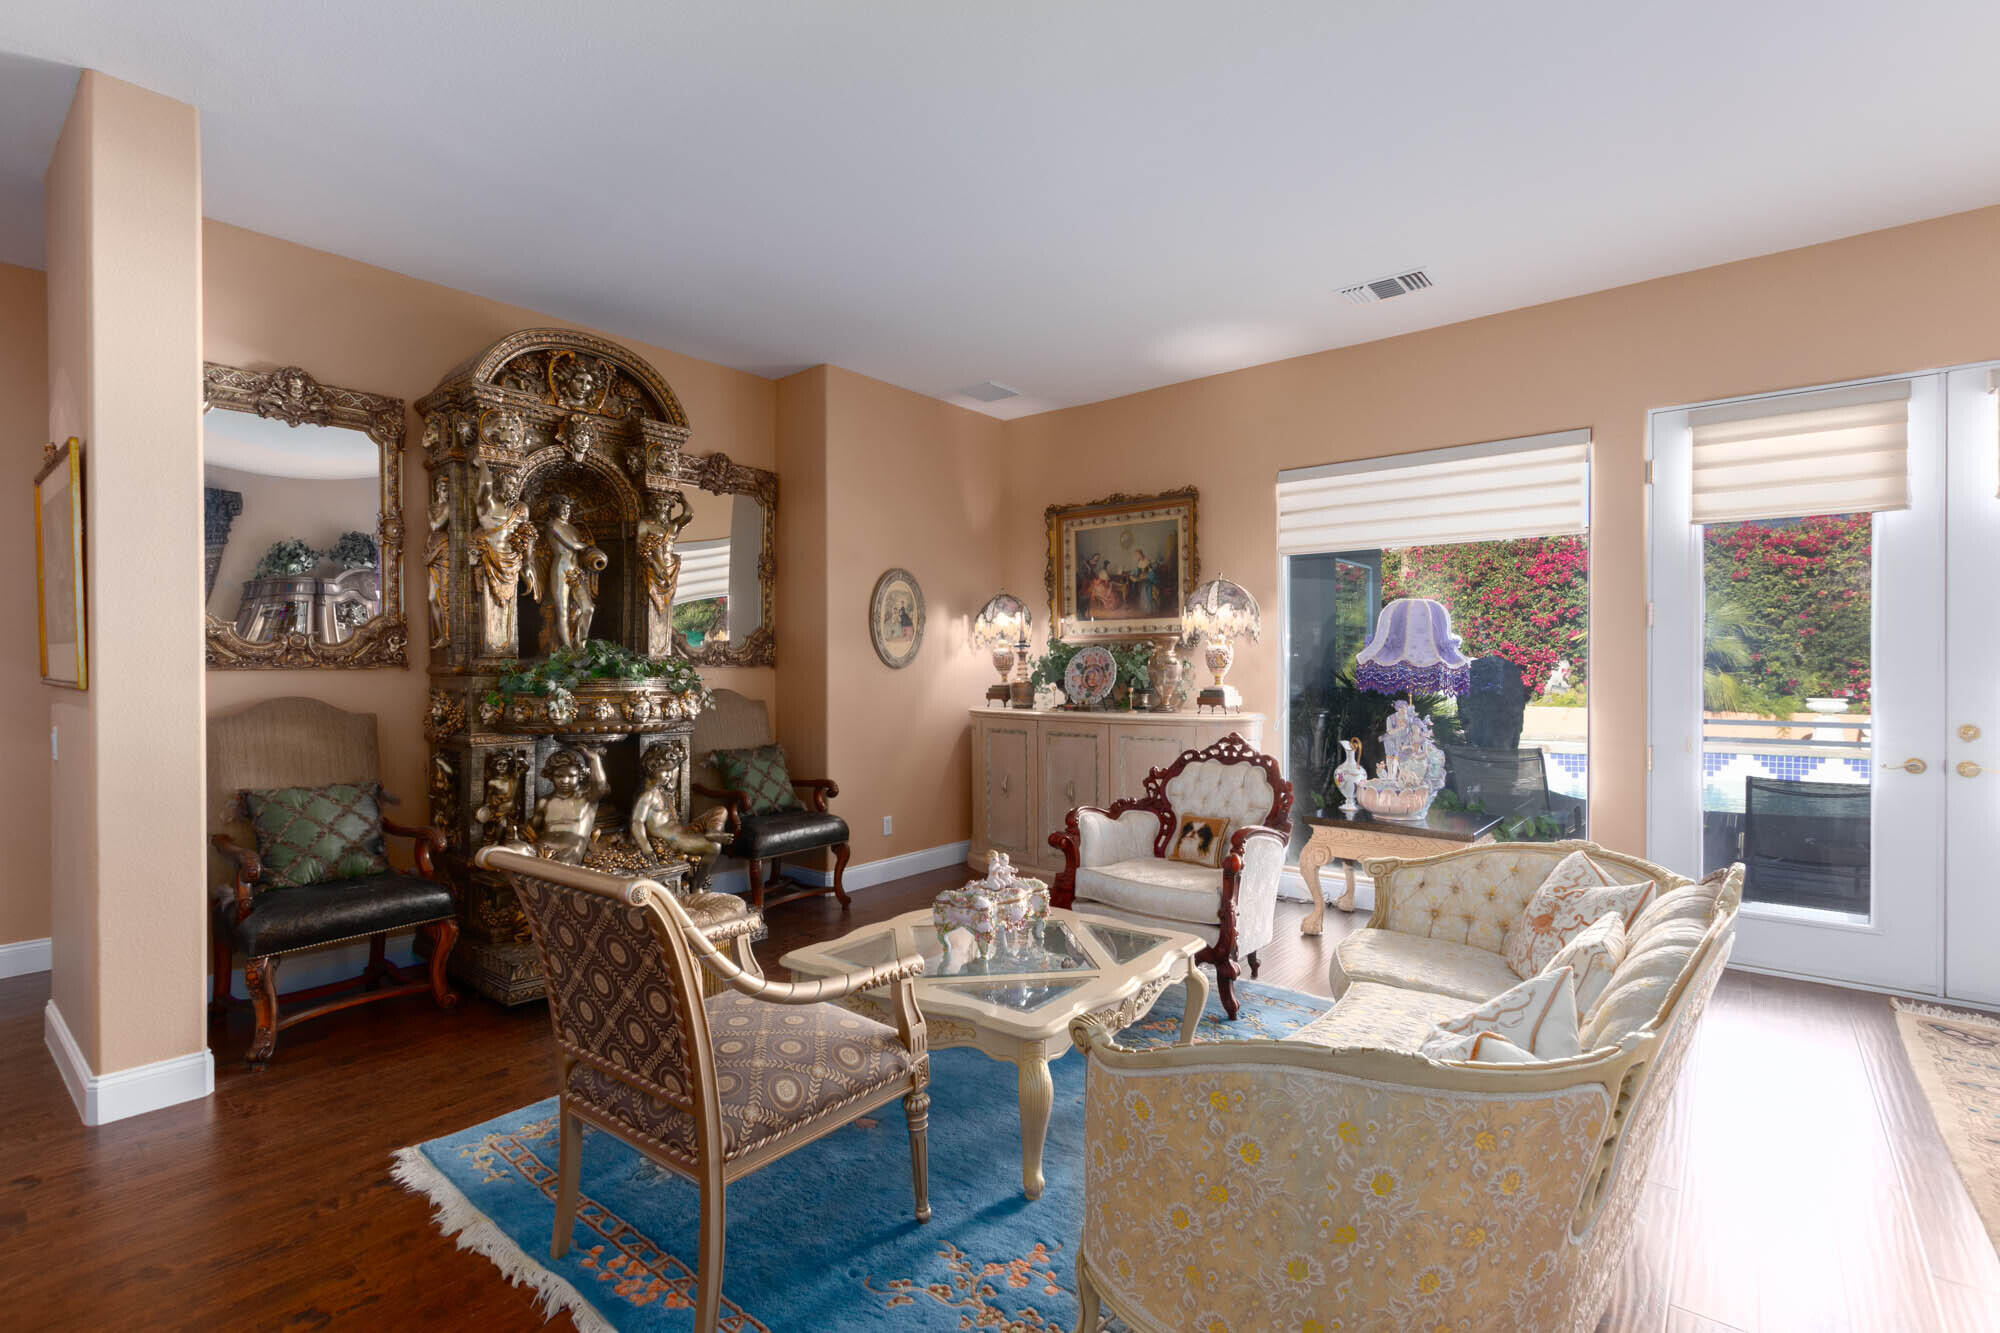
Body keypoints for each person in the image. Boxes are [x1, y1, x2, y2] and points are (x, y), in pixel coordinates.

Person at [533, 747, 609, 863]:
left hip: (570, 850)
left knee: (560, 866)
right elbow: (532, 827)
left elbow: (600, 786)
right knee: (514, 851)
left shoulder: (586, 798)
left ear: (580, 775)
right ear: (551, 776)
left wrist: (594, 759)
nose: (565, 781)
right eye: (559, 776)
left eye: (571, 776)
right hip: (542, 847)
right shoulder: (544, 802)